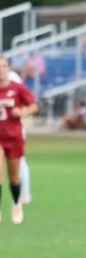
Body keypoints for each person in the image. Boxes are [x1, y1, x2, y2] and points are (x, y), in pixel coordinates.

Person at [0, 55, 37, 224]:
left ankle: (16, 204)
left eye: (4, 66)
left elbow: (33, 105)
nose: (1, 70)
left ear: (8, 69)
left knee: (14, 176)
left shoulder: (17, 88)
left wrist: (22, 112)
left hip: (13, 137)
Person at [7, 68, 32, 204]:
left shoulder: (12, 78)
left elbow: (26, 102)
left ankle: (24, 193)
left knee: (18, 160)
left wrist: (21, 112)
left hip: (14, 127)